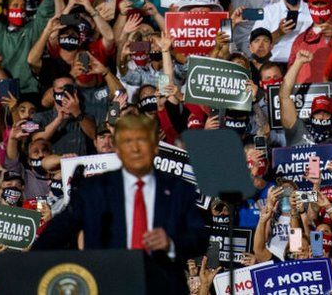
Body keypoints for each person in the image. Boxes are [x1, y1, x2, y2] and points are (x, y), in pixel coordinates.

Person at [33, 114, 209, 294]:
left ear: (155, 146)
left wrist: (170, 243)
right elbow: (59, 230)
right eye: (127, 141)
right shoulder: (94, 191)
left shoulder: (179, 190)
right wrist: (25, 263)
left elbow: (199, 239)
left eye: (142, 140)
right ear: (117, 148)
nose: (135, 149)